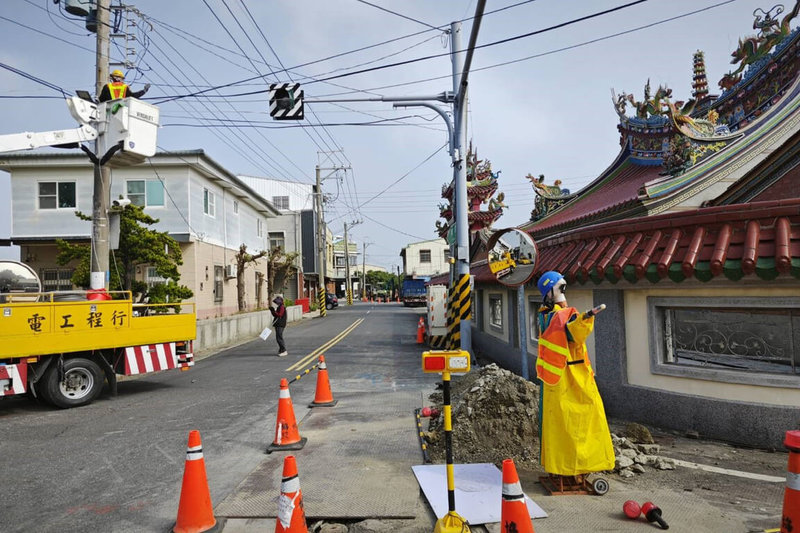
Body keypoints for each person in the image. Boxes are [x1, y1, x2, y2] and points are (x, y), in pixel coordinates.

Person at [535, 271, 615, 479]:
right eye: (560, 287)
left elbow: (570, 329)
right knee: (581, 424)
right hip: (570, 378)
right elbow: (574, 332)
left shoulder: (545, 315)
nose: (563, 290)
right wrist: (584, 319)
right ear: (551, 291)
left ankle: (561, 467)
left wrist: (580, 317)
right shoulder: (561, 314)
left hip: (552, 379)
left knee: (559, 427)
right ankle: (575, 467)